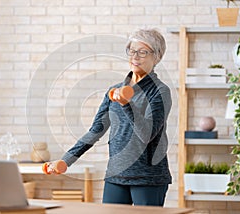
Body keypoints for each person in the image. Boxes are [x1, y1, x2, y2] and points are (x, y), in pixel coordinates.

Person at [49, 28, 172, 206]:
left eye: (143, 52)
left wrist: (127, 104)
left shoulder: (160, 91)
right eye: (132, 51)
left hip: (148, 178)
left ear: (157, 57)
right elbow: (95, 131)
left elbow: (147, 134)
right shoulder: (113, 91)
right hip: (116, 176)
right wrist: (66, 160)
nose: (135, 57)